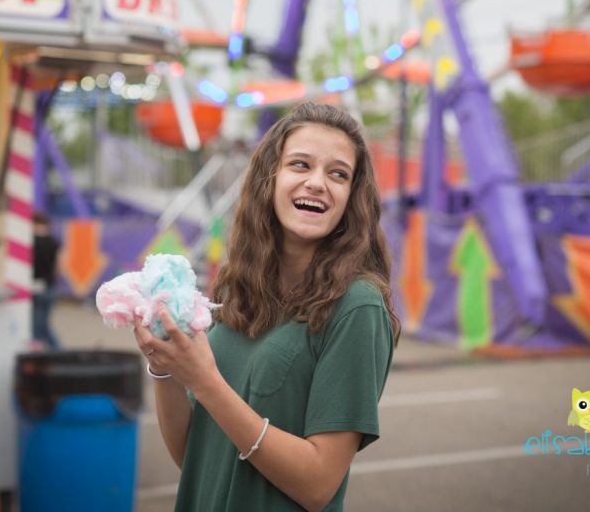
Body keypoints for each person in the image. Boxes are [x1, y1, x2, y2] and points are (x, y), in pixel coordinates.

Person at [134, 101, 401, 511]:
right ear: (269, 179)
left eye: (338, 174)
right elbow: (194, 455)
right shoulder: (239, 288)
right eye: (300, 164)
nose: (317, 182)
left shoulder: (357, 306)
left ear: (352, 197)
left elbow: (317, 486)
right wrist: (165, 366)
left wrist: (205, 382)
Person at [32, 212, 60, 349]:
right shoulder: (53, 242)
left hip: (35, 287)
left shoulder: (31, 242)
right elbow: (57, 268)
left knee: (37, 327)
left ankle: (57, 351)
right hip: (50, 287)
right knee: (43, 325)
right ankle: (57, 350)